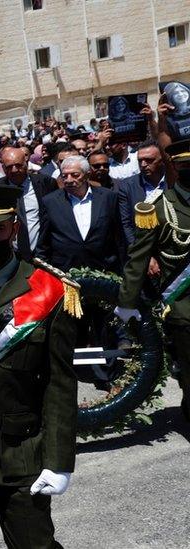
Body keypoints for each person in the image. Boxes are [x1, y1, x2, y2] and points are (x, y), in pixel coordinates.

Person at [0, 184, 78, 549]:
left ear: (14, 228)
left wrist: (58, 460)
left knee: (34, 543)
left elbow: (60, 384)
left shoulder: (50, 290)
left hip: (21, 452)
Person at [117, 140, 190, 421]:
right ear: (175, 166)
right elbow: (138, 259)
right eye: (185, 164)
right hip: (184, 309)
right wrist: (125, 305)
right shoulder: (157, 210)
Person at [37, 156, 127, 274]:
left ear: (87, 175)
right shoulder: (50, 202)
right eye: (64, 176)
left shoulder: (108, 197)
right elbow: (43, 243)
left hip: (104, 271)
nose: (69, 180)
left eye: (75, 175)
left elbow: (119, 237)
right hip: (65, 273)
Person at [0, 147, 58, 259]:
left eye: (18, 165)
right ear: (3, 168)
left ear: (27, 164)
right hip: (9, 257)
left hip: (43, 256)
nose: (14, 170)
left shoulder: (45, 183)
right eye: (9, 167)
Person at [117, 141, 168, 246]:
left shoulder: (174, 181)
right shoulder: (127, 186)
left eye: (149, 160)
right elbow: (126, 224)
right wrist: (139, 253)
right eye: (140, 161)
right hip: (143, 247)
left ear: (162, 160)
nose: (143, 164)